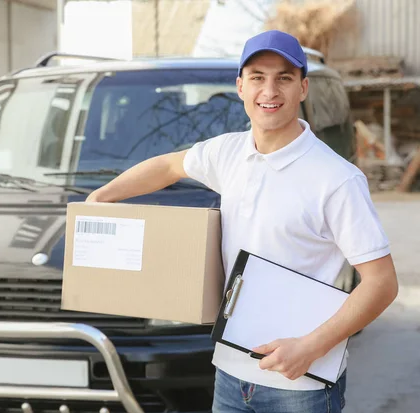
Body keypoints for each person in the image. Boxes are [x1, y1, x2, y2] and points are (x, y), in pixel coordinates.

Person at [85, 30, 398, 413]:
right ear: (240, 86)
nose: (270, 90)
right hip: (231, 375)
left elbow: (382, 283)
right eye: (257, 77)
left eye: (283, 77)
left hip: (299, 384)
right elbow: (167, 166)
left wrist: (310, 347)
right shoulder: (228, 153)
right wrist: (102, 197)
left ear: (303, 88)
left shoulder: (336, 179)